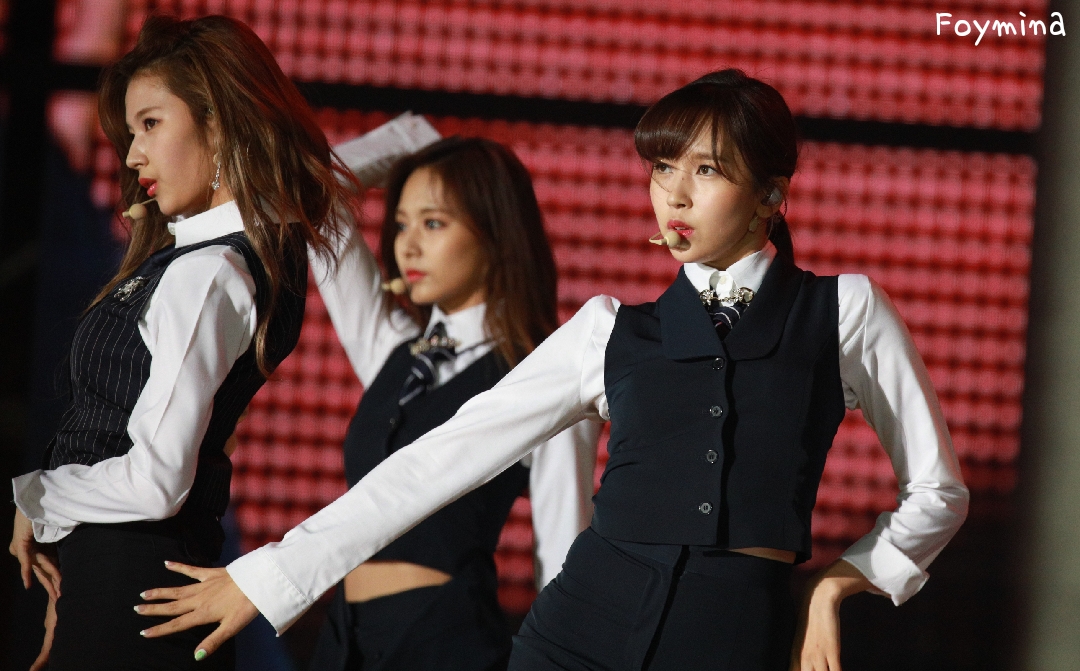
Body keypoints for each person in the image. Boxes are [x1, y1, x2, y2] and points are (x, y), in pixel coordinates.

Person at [138, 69, 969, 671]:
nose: (674, 195)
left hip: (733, 636)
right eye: (662, 167)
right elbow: (439, 460)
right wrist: (271, 577)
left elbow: (937, 491)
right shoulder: (608, 329)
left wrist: (839, 582)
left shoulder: (843, 310)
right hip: (575, 635)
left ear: (772, 194)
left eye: (706, 170)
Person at [8, 14, 355, 670]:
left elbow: (157, 482)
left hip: (135, 597)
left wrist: (40, 495)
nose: (131, 154)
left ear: (217, 124)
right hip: (125, 587)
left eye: (150, 124)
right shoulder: (212, 258)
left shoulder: (209, 271)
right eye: (130, 132)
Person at [303, 136, 599, 670]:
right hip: (343, 640)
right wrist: (411, 139)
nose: (407, 246)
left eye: (434, 223)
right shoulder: (395, 352)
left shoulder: (545, 375)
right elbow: (317, 192)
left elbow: (561, 555)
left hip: (446, 642)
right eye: (400, 224)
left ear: (495, 233)